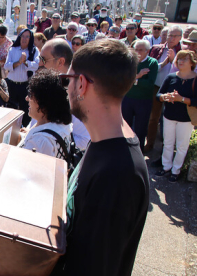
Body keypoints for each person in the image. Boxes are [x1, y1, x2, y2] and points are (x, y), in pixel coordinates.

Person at [52, 38, 149, 275]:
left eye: (68, 80)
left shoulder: (116, 176)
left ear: (82, 84)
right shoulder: (106, 140)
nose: (67, 88)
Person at [36, 38, 90, 150]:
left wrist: (46, 140)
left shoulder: (76, 94)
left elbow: (84, 140)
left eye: (44, 59)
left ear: (60, 61)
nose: (40, 63)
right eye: (39, 58)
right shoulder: (46, 85)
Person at [155, 50, 197, 183]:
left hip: (186, 119)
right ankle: (166, 167)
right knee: (167, 143)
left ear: (192, 62)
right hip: (169, 115)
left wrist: (181, 99)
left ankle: (176, 171)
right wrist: (165, 97)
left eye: (184, 59)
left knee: (181, 146)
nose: (180, 61)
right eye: (179, 59)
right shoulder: (171, 77)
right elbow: (158, 95)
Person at [145, 25, 183, 153]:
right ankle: (149, 143)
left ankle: (166, 149)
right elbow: (153, 69)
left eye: (174, 36)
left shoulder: (183, 52)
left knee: (169, 119)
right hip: (157, 87)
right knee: (153, 117)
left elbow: (184, 72)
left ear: (180, 37)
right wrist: (166, 62)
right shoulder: (157, 49)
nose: (171, 38)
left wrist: (174, 61)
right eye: (169, 35)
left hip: (175, 90)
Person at [121, 40, 158, 152]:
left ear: (147, 51)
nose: (137, 52)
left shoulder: (152, 63)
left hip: (143, 101)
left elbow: (149, 84)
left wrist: (133, 79)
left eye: (140, 50)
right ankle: (124, 151)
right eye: (135, 49)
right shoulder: (129, 61)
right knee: (125, 127)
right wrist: (139, 76)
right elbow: (123, 79)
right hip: (127, 98)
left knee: (140, 130)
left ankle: (138, 153)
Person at [4, 29, 39, 126]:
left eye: (27, 36)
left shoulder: (34, 51)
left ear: (30, 38)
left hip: (25, 85)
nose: (24, 39)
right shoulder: (13, 49)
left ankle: (25, 129)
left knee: (26, 110)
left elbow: (36, 65)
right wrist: (18, 62)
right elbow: (6, 66)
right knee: (11, 110)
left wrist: (25, 62)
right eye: (22, 36)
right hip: (12, 85)